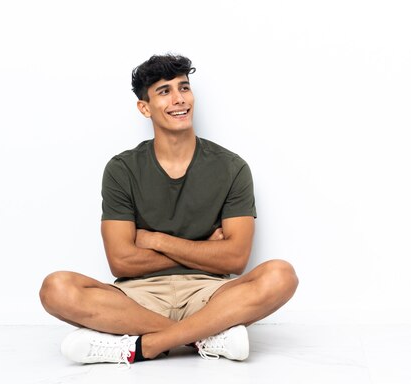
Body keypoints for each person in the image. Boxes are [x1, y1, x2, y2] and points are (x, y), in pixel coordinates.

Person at [39, 54, 298, 366]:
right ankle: (205, 337)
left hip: (210, 293)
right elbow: (121, 261)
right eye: (164, 91)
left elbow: (236, 258)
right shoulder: (122, 169)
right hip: (138, 297)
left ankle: (141, 347)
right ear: (144, 108)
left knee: (281, 275)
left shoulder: (231, 167)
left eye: (184, 88)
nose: (179, 99)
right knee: (56, 288)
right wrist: (206, 248)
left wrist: (156, 240)